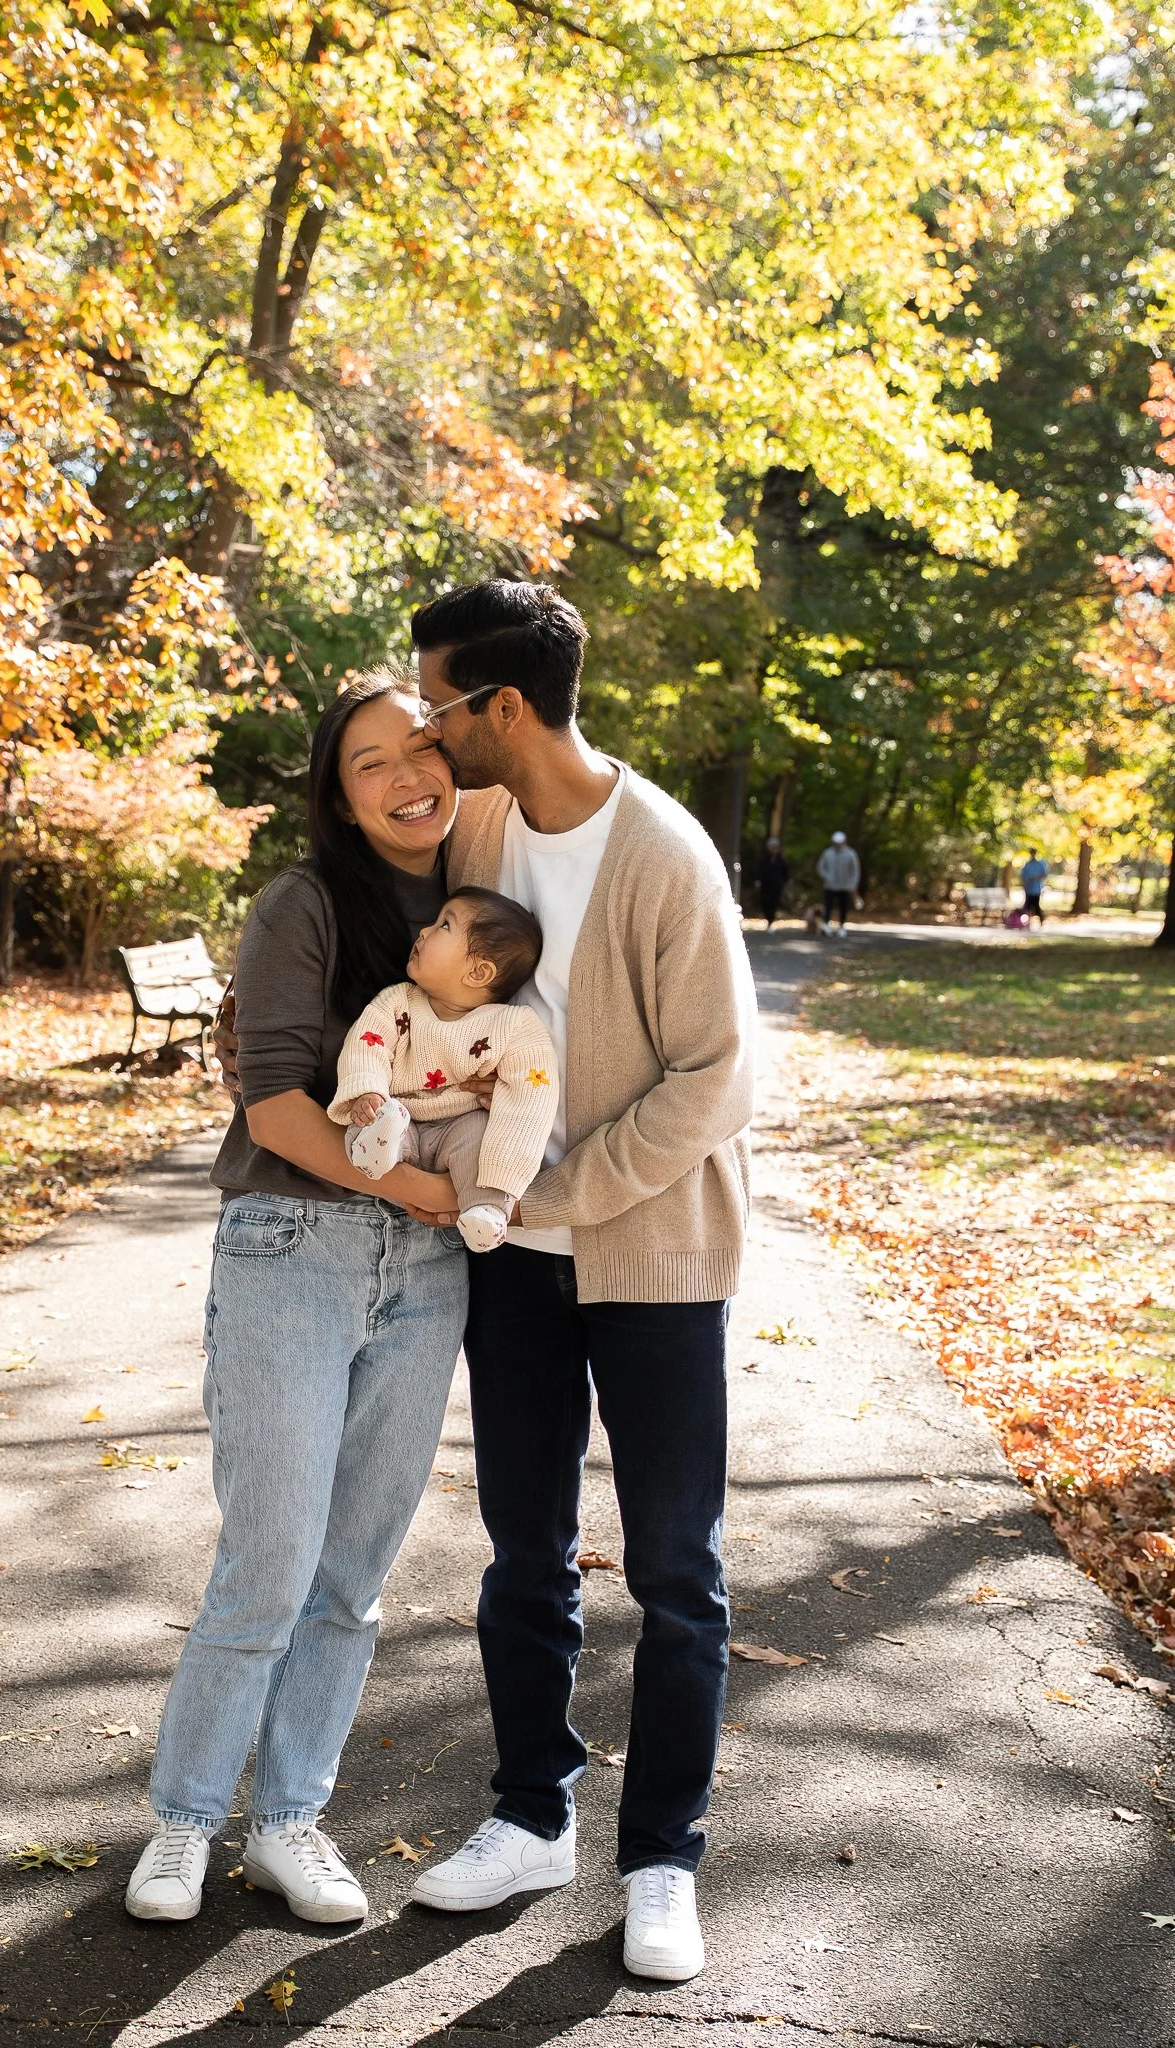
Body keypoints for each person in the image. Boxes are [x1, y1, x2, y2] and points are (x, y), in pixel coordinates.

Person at [403, 580, 756, 1984]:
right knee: (522, 1555)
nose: (428, 734)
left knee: (677, 1571)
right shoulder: (478, 827)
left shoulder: (662, 852)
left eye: (438, 705)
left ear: (502, 706)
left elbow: (718, 1076)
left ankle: (661, 1856)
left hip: (652, 1255)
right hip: (511, 1267)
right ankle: (529, 1814)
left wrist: (557, 1192)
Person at [125, 666, 471, 1927]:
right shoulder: (303, 903)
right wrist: (430, 1196)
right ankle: (182, 1819)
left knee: (355, 1570)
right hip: (294, 1247)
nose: (403, 776)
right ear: (338, 791)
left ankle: (288, 1821)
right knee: (268, 1560)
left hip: (430, 1283)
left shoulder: (489, 917)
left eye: (419, 749)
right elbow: (272, 1102)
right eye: (369, 761)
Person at [328, 886, 558, 1252]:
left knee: (482, 1139)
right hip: (403, 1119)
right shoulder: (397, 1001)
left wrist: (509, 1173)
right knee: (375, 1120)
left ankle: (486, 1209)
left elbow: (530, 1101)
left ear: (479, 971)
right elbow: (366, 1045)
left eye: (444, 926)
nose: (423, 931)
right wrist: (366, 1092)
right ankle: (376, 1147)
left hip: (461, 1123)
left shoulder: (513, 1026)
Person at [816, 830, 860, 934]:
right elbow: (820, 867)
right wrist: (827, 877)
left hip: (845, 886)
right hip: (830, 886)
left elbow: (855, 871)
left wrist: (853, 884)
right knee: (828, 905)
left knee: (843, 906)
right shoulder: (828, 853)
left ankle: (842, 926)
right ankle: (826, 925)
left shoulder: (851, 853)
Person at [754, 836, 789, 927]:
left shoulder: (781, 860)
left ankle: (771, 920)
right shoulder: (764, 859)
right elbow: (759, 871)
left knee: (774, 902)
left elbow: (785, 872)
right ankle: (767, 918)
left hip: (777, 885)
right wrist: (758, 881)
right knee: (765, 902)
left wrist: (785, 881)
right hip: (765, 885)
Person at [1020, 848, 1048, 922]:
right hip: (1028, 888)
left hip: (1036, 889)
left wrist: (1036, 877)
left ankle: (1041, 920)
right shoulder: (1027, 864)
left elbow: (1044, 874)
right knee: (1027, 907)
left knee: (1036, 906)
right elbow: (1022, 876)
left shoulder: (1040, 864)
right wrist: (1025, 884)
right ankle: (1026, 922)